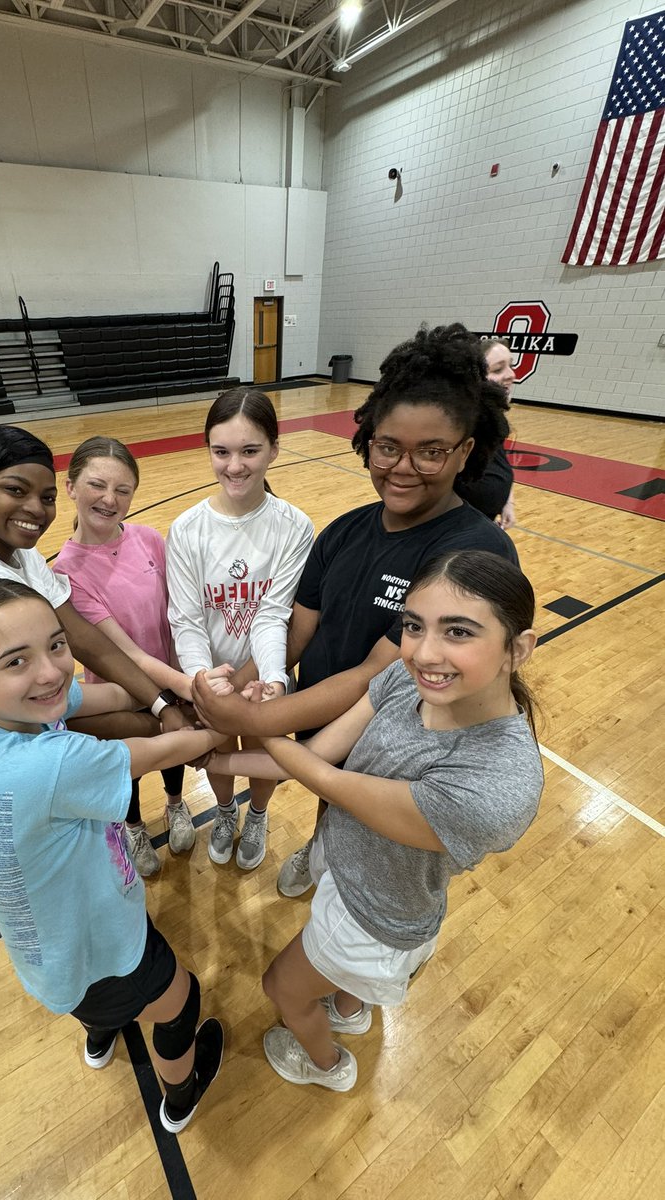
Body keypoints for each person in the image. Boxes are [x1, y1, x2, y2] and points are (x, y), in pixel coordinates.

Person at [189, 323, 518, 897]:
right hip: (321, 721)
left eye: (431, 452)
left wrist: (253, 722)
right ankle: (320, 849)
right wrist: (231, 687)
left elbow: (377, 673)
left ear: (465, 451)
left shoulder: (474, 551)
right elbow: (295, 632)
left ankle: (337, 873)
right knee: (329, 799)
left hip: (398, 751)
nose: (403, 467)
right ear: (368, 439)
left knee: (374, 860)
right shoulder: (344, 531)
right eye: (388, 446)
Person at [201, 550, 543, 1092]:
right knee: (340, 985)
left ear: (516, 649)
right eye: (413, 626)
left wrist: (246, 720)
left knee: (282, 990)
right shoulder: (408, 683)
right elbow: (314, 756)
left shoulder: (496, 785)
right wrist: (215, 758)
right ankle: (350, 1008)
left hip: (376, 920)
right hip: (350, 870)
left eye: (458, 631)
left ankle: (328, 1066)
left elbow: (327, 780)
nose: (425, 652)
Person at [0, 577, 225, 1132]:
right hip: (103, 948)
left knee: (94, 1002)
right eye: (17, 661)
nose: (50, 671)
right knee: (182, 1002)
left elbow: (112, 694)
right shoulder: (48, 764)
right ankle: (180, 1098)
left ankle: (100, 1035)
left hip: (49, 954)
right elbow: (162, 751)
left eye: (57, 645)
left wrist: (164, 698)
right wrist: (213, 726)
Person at [0, 425, 190, 881]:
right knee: (66, 920)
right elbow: (73, 715)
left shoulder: (15, 555)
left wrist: (164, 708)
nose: (35, 509)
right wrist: (184, 730)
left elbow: (85, 640)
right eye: (15, 490)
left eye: (45, 497)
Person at [53, 436, 226, 877]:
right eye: (96, 485)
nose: (109, 500)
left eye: (123, 490)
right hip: (121, 690)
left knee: (170, 752)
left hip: (171, 673)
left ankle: (174, 804)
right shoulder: (66, 572)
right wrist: (177, 690)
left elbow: (181, 612)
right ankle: (132, 825)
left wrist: (187, 676)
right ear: (70, 487)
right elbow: (126, 654)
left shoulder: (149, 539)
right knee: (128, 764)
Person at [166, 388, 314, 870]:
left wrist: (271, 678)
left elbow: (273, 613)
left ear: (274, 448)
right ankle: (226, 812)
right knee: (217, 751)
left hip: (261, 673)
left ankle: (257, 813)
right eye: (221, 451)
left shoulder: (294, 527)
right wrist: (203, 679)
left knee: (262, 748)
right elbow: (186, 620)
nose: (235, 465)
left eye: (250, 450)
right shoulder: (187, 529)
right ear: (207, 448)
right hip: (209, 676)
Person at [455, 337, 518, 527]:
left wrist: (507, 501)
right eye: (498, 369)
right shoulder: (456, 424)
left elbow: (501, 463)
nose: (511, 374)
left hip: (484, 523)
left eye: (510, 365)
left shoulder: (491, 418)